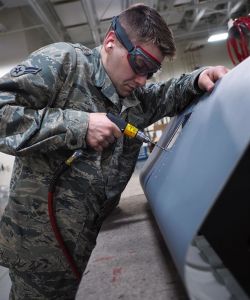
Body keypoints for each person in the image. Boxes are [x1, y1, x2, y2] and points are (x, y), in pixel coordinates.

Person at [0, 3, 228, 300]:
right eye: (140, 64)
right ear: (111, 42)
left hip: (94, 246)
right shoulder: (64, 63)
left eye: (152, 71)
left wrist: (198, 78)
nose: (143, 80)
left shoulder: (134, 98)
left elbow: (166, 94)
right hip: (41, 254)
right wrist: (78, 125)